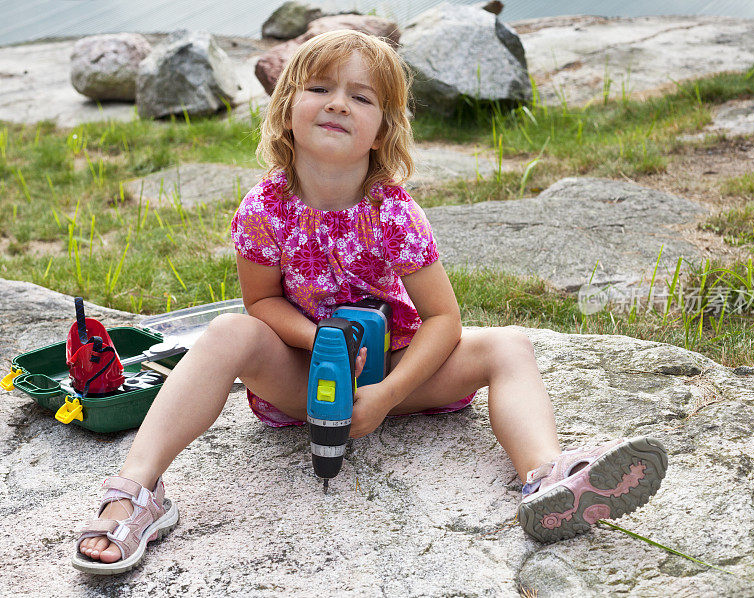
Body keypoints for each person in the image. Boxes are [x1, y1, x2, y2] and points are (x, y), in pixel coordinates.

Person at [73, 30, 668, 574]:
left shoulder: (393, 211)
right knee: (229, 332)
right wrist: (321, 338)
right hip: (308, 381)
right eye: (320, 88)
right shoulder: (263, 209)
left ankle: (547, 480)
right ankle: (136, 490)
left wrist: (387, 393)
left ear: (382, 131)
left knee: (507, 344)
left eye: (361, 98)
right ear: (285, 113)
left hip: (404, 375)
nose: (337, 103)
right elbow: (262, 303)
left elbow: (443, 320)